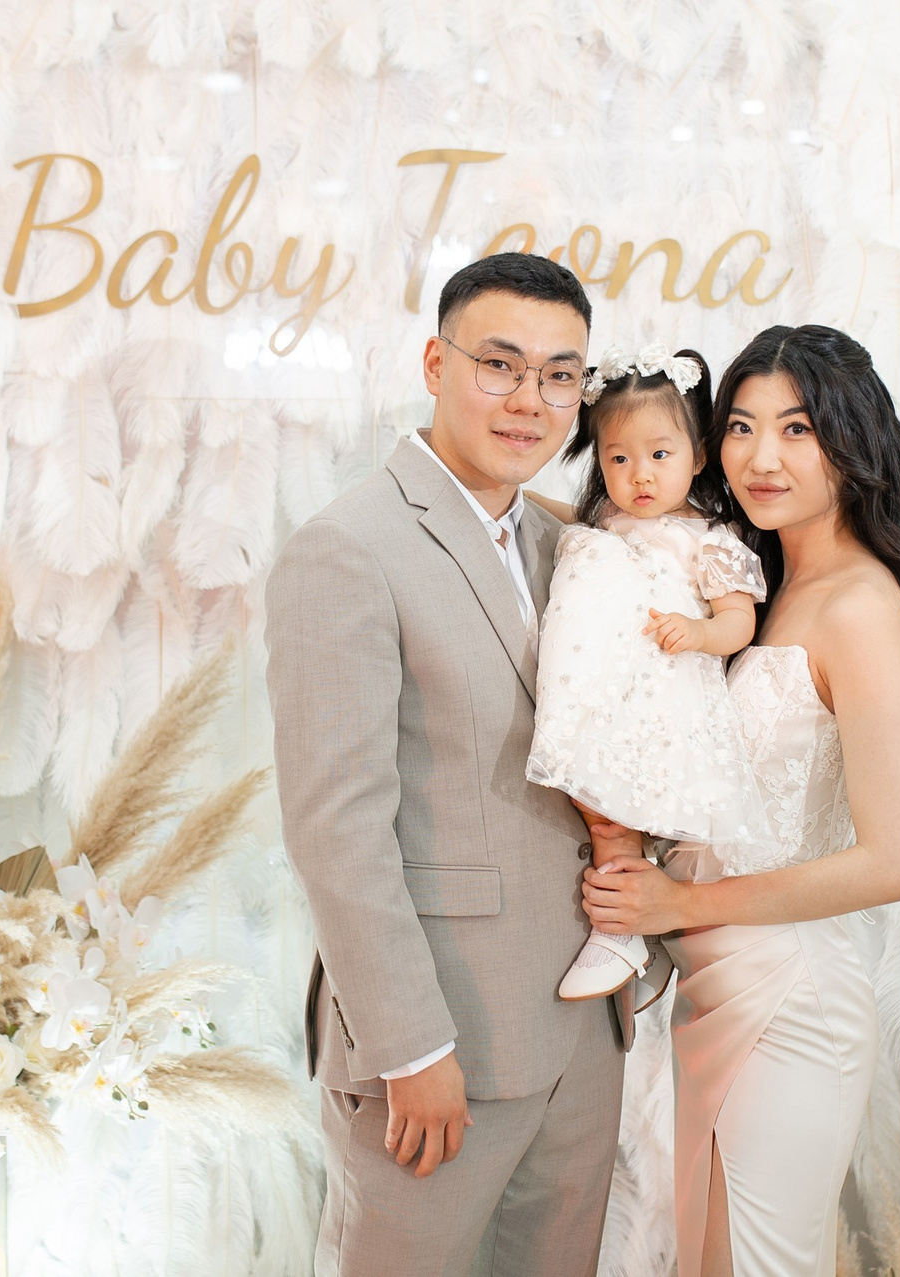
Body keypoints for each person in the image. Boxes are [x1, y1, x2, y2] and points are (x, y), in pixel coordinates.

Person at [264, 253, 667, 1277]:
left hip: (582, 1032)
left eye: (561, 375)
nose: (531, 400)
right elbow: (336, 828)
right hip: (439, 1042)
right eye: (500, 364)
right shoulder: (348, 548)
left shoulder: (569, 542)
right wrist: (409, 1044)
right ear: (437, 364)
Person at [578, 324, 900, 1277]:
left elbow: (895, 861)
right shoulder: (767, 585)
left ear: (852, 441)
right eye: (740, 427)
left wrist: (682, 902)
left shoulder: (859, 602)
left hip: (790, 998)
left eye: (796, 428)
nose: (761, 457)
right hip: (717, 987)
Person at [524, 344, 774, 1001]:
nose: (639, 475)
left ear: (698, 455)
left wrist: (698, 632)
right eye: (618, 459)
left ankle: (620, 930)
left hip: (663, 696)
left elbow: (739, 621)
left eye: (660, 454)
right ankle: (635, 932)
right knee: (592, 800)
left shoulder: (711, 539)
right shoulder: (610, 521)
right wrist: (514, 495)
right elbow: (568, 517)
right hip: (606, 691)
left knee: (611, 813)